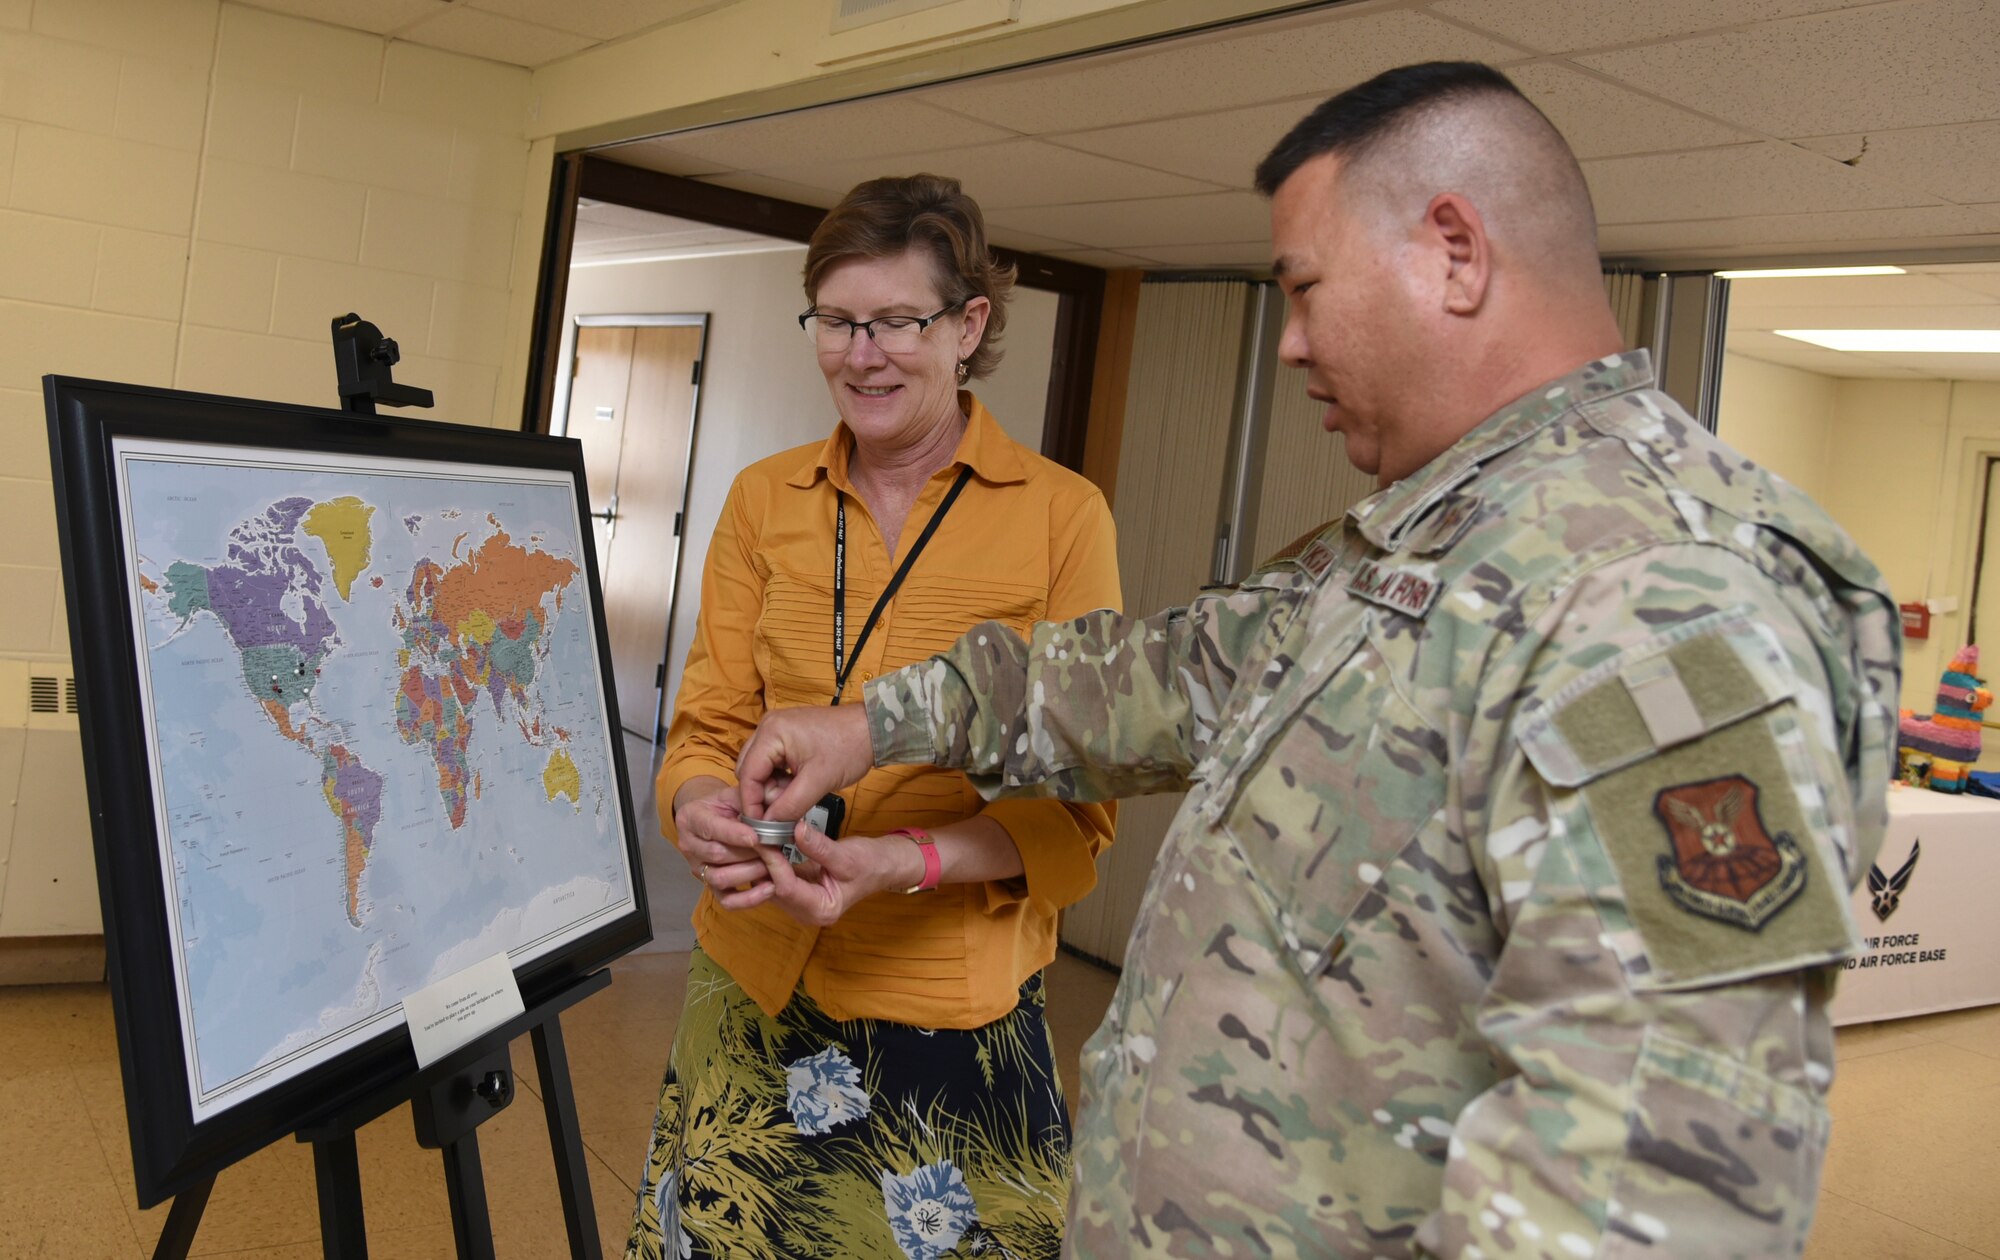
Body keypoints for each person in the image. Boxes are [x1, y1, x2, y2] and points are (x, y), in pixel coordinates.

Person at [734, 63, 1899, 1258]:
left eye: (1303, 288)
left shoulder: (1652, 589)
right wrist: (877, 723)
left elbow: (1654, 1178)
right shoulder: (1421, 542)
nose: (1287, 345)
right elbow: (1167, 673)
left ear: (1453, 250)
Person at [625, 173, 1120, 1260]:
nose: (862, 355)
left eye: (896, 321)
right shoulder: (763, 500)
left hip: (946, 1015)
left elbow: (1073, 820)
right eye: (837, 322)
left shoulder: (1061, 517)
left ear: (968, 325)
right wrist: (699, 804)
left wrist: (901, 861)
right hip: (752, 984)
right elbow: (704, 723)